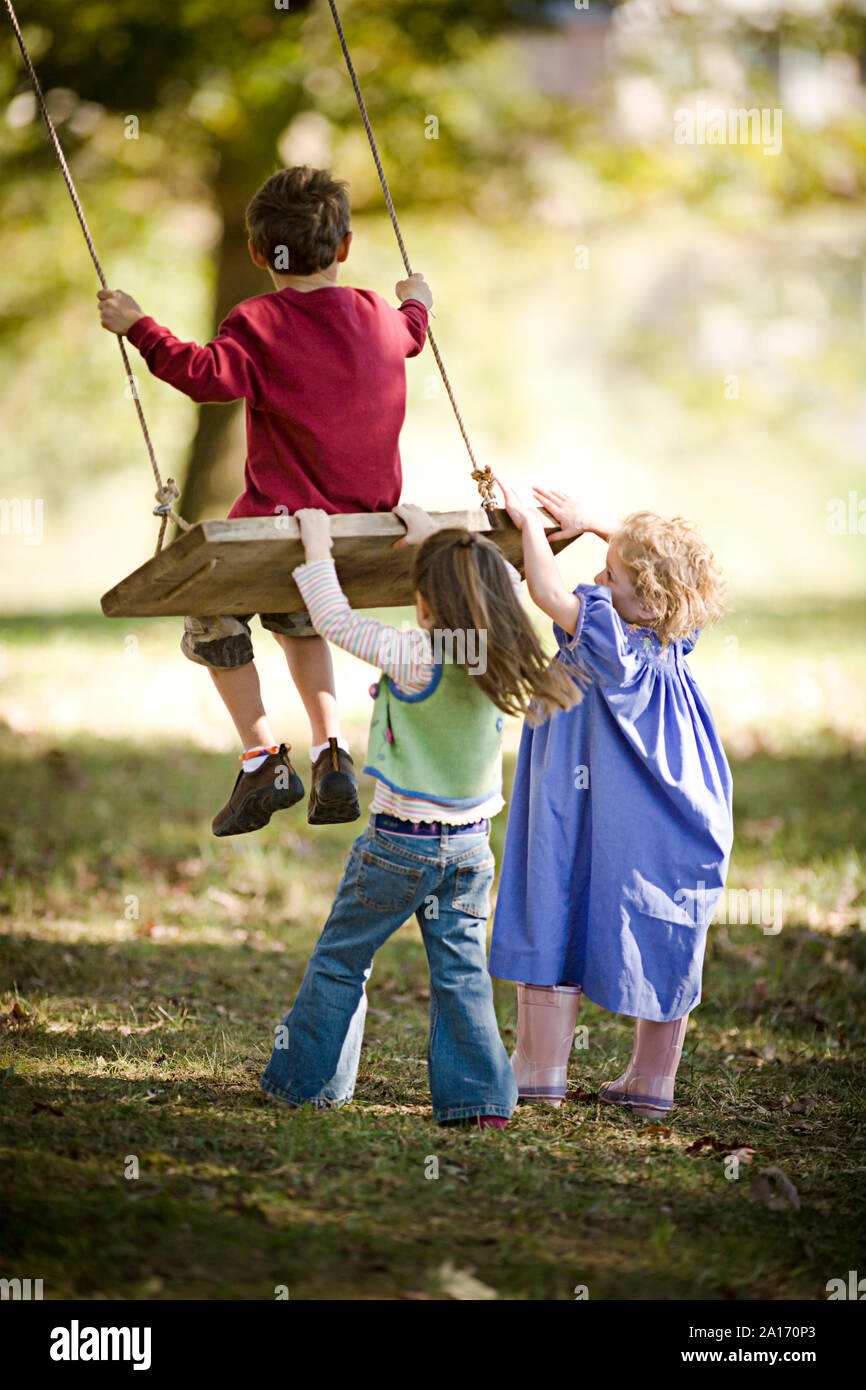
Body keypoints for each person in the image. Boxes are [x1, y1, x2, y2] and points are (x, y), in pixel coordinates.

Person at [97, 165, 431, 835]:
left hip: (280, 531)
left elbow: (201, 375)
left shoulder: (259, 322)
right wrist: (417, 298)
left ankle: (259, 759)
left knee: (209, 607)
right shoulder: (376, 314)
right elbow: (413, 335)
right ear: (344, 248)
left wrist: (139, 326)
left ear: (256, 253)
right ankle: (330, 748)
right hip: (360, 533)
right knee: (302, 615)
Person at [260, 503, 579, 1128]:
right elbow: (500, 588)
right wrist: (444, 544)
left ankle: (305, 1085)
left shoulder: (412, 653)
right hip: (470, 851)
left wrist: (317, 542)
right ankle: (479, 1100)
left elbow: (330, 618)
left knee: (342, 958)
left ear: (427, 604)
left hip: (396, 847)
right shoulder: (501, 653)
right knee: (461, 972)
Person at [489, 482, 733, 1117]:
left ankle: (540, 1069)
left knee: (555, 892)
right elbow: (662, 577)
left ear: (647, 599)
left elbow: (544, 592)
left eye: (611, 573)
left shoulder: (604, 633)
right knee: (670, 923)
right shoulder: (676, 631)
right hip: (679, 807)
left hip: (581, 799)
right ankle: (653, 1081)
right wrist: (603, 529)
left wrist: (531, 529)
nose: (598, 575)